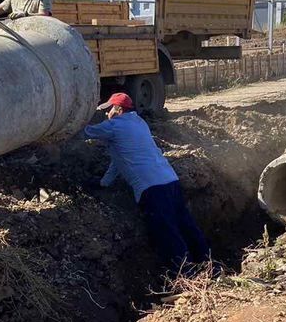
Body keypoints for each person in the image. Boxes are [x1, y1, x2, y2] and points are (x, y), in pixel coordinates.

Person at [85, 92, 210, 273]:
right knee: (186, 225)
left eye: (110, 109)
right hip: (171, 181)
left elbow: (83, 132)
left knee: (168, 233)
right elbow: (120, 160)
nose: (107, 113)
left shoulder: (114, 126)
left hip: (153, 189)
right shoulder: (139, 123)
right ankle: (209, 264)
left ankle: (188, 278)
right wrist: (103, 183)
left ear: (118, 109)